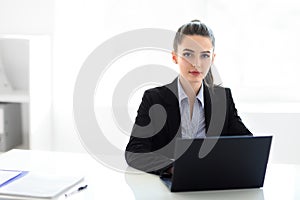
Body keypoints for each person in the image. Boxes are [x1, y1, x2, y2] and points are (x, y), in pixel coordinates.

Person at [125, 20, 252, 175]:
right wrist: (173, 168)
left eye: (204, 55)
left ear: (213, 58)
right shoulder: (154, 99)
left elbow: (247, 145)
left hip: (211, 180)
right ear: (174, 57)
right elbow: (135, 151)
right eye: (187, 54)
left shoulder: (222, 99)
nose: (196, 63)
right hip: (170, 184)